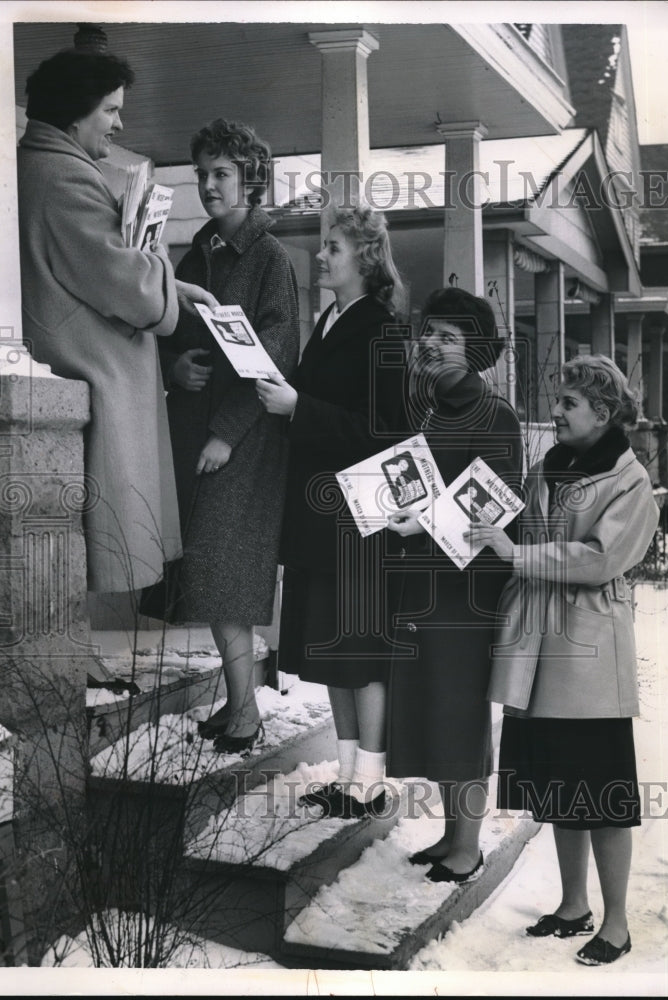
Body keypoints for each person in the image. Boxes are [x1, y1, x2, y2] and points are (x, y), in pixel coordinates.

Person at [467, 355, 659, 966]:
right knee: (560, 789)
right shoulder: (552, 466)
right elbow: (527, 532)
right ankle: (574, 905)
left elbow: (599, 559)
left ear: (602, 413)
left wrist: (517, 555)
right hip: (542, 647)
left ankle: (618, 922)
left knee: (601, 794)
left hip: (588, 657)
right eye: (558, 400)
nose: (555, 411)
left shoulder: (631, 482)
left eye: (569, 403)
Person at [17, 49, 210, 605]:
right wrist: (163, 279)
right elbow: (132, 288)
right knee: (102, 542)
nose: (120, 124)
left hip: (69, 359)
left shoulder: (40, 166)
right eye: (110, 110)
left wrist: (171, 286)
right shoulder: (64, 178)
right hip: (96, 373)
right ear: (76, 116)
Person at [156, 118, 300, 755]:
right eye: (202, 175)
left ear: (251, 181)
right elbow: (169, 334)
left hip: (244, 445)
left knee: (226, 576)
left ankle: (245, 715)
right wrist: (173, 368)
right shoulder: (198, 253)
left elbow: (276, 360)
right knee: (214, 579)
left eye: (221, 175)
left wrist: (223, 433)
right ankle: (239, 705)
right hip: (199, 437)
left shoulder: (270, 260)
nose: (209, 186)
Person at [257, 203, 404, 818]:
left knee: (362, 650)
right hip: (323, 514)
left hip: (358, 517)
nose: (321, 255)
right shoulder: (332, 322)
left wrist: (299, 408)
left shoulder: (383, 330)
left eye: (334, 248)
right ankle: (348, 776)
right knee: (334, 649)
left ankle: (370, 780)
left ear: (366, 259)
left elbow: (388, 429)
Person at [385, 286, 523, 882]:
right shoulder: (430, 409)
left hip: (466, 590)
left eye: (449, 336)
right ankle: (449, 834)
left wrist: (422, 521)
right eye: (429, 333)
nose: (433, 345)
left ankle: (468, 844)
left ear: (477, 349)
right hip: (423, 580)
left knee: (459, 709)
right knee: (431, 706)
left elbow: (491, 500)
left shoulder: (495, 415)